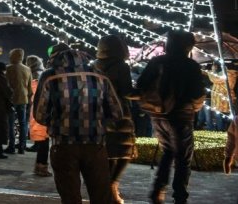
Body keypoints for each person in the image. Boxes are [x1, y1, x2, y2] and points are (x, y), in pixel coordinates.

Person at [34, 44, 121, 204]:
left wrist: (57, 122)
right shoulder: (100, 76)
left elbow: (39, 115)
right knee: (101, 196)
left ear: (54, 58)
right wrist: (98, 123)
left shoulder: (50, 76)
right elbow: (116, 113)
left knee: (70, 197)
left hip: (63, 144)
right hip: (95, 144)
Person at [136, 30, 211, 204]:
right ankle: (179, 196)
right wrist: (193, 106)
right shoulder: (190, 65)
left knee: (168, 153)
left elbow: (141, 85)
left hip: (157, 115)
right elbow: (198, 92)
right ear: (187, 46)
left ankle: (157, 190)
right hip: (181, 116)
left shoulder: (156, 61)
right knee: (183, 158)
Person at [92, 34, 136, 204]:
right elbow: (126, 91)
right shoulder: (121, 66)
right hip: (119, 113)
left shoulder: (96, 65)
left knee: (108, 152)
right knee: (125, 152)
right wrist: (142, 93)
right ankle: (112, 187)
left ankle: (106, 190)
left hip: (99, 112)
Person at [25, 55, 52, 177]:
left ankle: (40, 166)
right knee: (44, 141)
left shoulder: (33, 75)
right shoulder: (42, 75)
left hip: (37, 109)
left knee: (43, 141)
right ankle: (41, 167)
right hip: (42, 109)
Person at [6, 48, 32, 154]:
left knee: (11, 123)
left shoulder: (8, 68)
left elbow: (5, 86)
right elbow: (29, 87)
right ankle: (22, 147)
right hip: (23, 99)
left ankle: (11, 146)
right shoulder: (27, 69)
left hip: (11, 99)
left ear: (13, 56)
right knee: (23, 123)